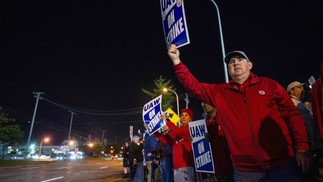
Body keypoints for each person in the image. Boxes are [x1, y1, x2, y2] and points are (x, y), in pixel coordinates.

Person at [166, 44, 311, 182]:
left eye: (240, 59)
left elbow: (292, 115)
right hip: (245, 172)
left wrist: (302, 147)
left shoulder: (270, 85)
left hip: (282, 165)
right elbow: (194, 86)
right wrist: (176, 61)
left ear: (250, 64)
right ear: (228, 69)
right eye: (231, 61)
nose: (236, 63)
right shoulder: (220, 92)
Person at [287, 81, 322, 181]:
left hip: (311, 145)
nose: (302, 90)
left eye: (302, 87)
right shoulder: (292, 104)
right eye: (299, 87)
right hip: (306, 146)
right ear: (291, 91)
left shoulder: (299, 103)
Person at [155, 108, 195, 182]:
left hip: (186, 165)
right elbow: (166, 139)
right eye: (182, 115)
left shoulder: (190, 128)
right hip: (176, 165)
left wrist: (167, 121)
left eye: (186, 115)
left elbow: (178, 131)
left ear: (190, 118)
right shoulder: (179, 131)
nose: (183, 117)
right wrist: (154, 131)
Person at [202, 102, 234, 182]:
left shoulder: (224, 118)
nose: (205, 105)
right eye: (203, 103)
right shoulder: (206, 122)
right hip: (215, 162)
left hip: (228, 161)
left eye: (207, 102)